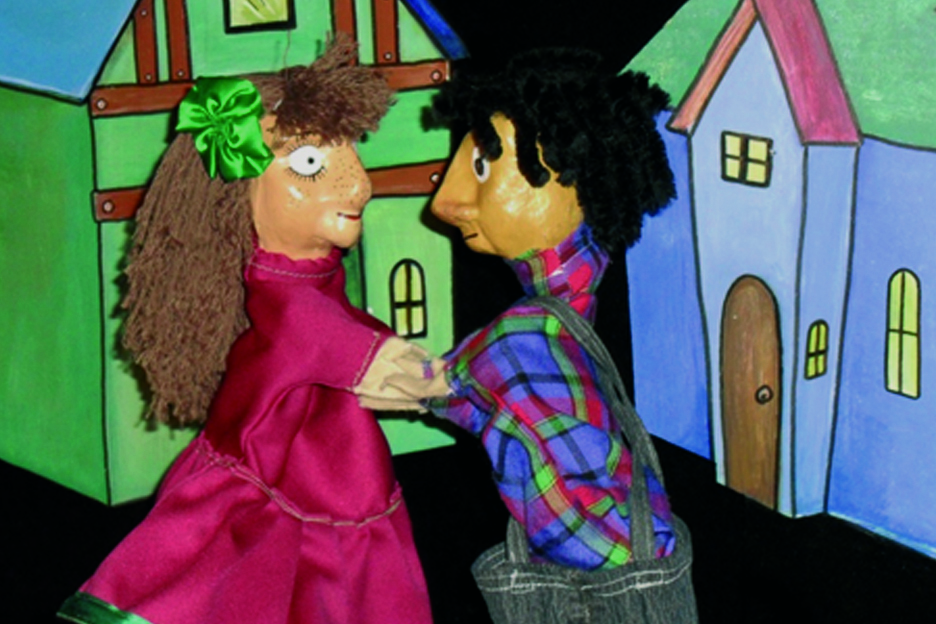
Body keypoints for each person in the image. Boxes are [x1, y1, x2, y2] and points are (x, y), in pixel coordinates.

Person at [58, 37, 438, 624]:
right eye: (308, 164)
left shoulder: (313, 278)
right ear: (240, 191)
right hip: (292, 474)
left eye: (349, 152)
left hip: (318, 460)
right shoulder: (291, 308)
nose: (357, 183)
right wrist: (458, 378)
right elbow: (386, 365)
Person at [408, 49, 678, 570]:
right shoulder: (567, 315)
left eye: (482, 166)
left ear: (563, 174)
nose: (444, 203)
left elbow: (599, 540)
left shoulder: (522, 343)